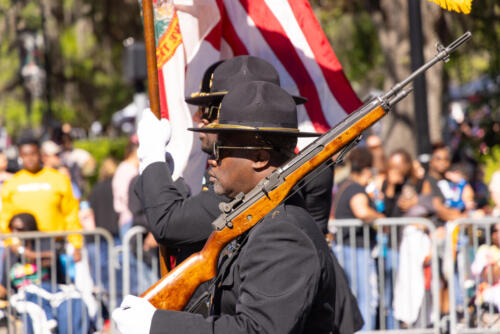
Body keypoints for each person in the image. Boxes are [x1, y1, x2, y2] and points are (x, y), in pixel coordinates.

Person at [131, 56, 361, 332]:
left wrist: (157, 325)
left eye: (222, 147)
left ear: (261, 158)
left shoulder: (280, 232)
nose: (213, 158)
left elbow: (256, 329)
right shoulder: (255, 209)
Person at [0, 137, 82, 261]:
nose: (30, 158)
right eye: (25, 155)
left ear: (40, 155)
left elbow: (71, 214)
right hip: (23, 249)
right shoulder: (12, 183)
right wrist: (11, 242)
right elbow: (5, 218)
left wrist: (76, 245)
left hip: (54, 247)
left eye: (33, 153)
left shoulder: (58, 179)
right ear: (20, 156)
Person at [332, 146, 384, 331]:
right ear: (367, 168)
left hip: (349, 248)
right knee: (367, 297)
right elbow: (361, 211)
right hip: (356, 250)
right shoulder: (355, 188)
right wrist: (382, 218)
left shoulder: (344, 185)